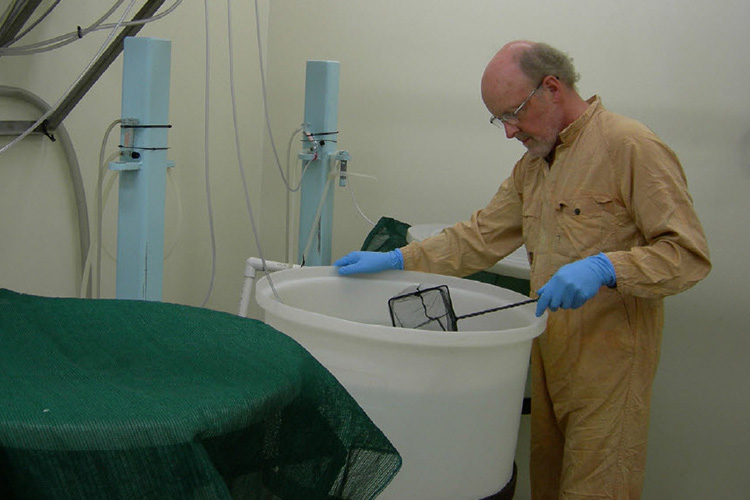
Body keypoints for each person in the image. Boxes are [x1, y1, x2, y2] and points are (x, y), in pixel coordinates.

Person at [334, 41, 711, 499]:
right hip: (550, 354)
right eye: (499, 119)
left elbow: (688, 256)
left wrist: (606, 267)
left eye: (512, 113)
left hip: (611, 368)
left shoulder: (629, 145)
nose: (509, 132)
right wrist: (398, 259)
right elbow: (477, 237)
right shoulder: (533, 167)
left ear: (551, 88)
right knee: (548, 485)